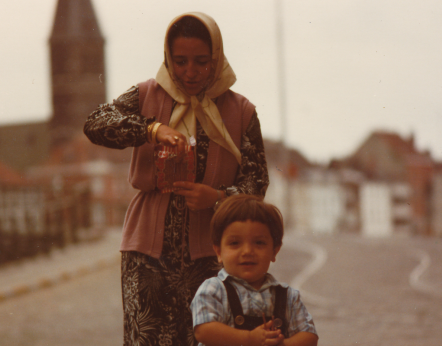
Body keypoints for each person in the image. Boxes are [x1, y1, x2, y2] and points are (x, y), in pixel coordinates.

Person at [84, 12, 269, 345]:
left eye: (201, 62)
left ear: (217, 58)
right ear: (168, 58)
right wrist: (150, 129)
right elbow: (96, 123)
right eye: (180, 61)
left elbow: (257, 183)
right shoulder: (146, 96)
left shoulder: (241, 111)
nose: (190, 72)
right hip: (146, 253)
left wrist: (218, 198)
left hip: (213, 256)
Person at [191, 194, 318, 346]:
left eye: (259, 243)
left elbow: (309, 336)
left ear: (274, 251)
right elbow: (203, 330)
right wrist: (249, 339)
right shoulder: (213, 289)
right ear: (219, 252)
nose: (247, 251)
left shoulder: (288, 296)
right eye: (235, 243)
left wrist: (283, 344)